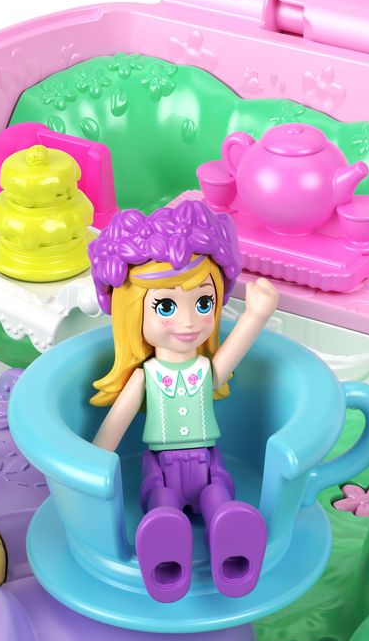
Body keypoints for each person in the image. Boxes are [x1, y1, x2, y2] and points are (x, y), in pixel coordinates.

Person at [88, 199, 279, 602]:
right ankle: (165, 556)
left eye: (203, 303)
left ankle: (234, 551)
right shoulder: (146, 376)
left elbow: (233, 352)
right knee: (164, 507)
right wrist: (90, 465)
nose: (189, 322)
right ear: (132, 313)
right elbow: (114, 426)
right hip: (162, 469)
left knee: (219, 500)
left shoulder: (204, 369)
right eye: (166, 306)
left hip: (208, 463)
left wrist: (257, 314)